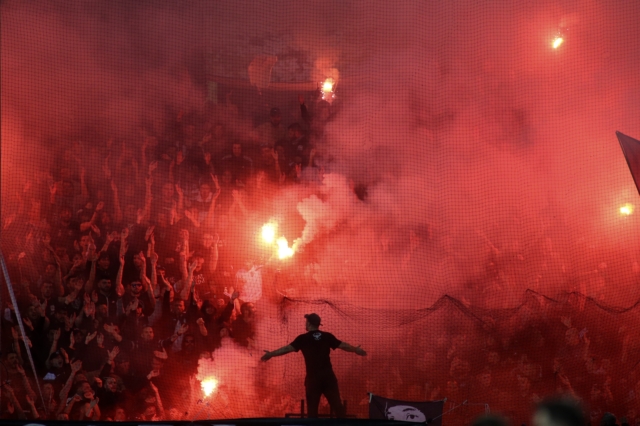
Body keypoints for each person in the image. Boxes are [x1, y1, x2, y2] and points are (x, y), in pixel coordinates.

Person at [261, 313, 367, 418]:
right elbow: (342, 345)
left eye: (306, 322)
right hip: (328, 377)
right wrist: (355, 349)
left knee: (312, 412)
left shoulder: (302, 338)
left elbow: (287, 349)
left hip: (313, 379)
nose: (305, 324)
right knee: (338, 408)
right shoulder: (327, 336)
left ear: (309, 323)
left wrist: (271, 354)